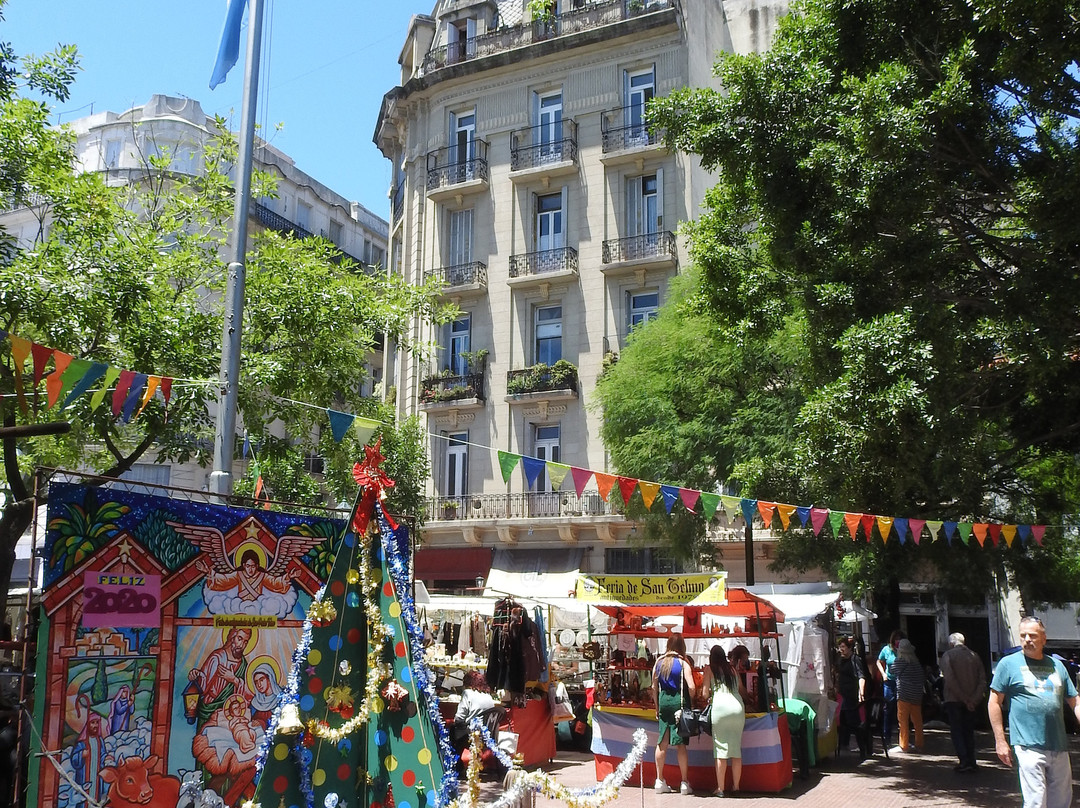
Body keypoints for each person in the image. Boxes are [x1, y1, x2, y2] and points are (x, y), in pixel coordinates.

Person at [989, 616, 1080, 808]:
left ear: (1044, 639)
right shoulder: (1008, 664)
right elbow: (994, 702)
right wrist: (1000, 741)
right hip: (1027, 744)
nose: (1027, 639)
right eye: (1023, 635)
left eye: (1032, 635)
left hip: (1058, 744)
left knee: (1062, 801)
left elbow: (1075, 701)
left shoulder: (1057, 666)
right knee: (1036, 801)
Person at [650, 633, 696, 795]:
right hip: (679, 705)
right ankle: (684, 783)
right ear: (682, 647)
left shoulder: (659, 662)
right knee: (680, 744)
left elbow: (654, 688)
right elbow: (691, 687)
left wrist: (657, 707)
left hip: (663, 704)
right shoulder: (683, 663)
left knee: (662, 742)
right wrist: (692, 700)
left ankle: (659, 780)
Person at [700, 645, 746, 797]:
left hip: (720, 709)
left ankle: (720, 788)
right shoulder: (733, 669)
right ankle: (737, 786)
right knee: (736, 750)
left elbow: (705, 694)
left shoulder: (709, 669)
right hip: (738, 708)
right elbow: (741, 690)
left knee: (721, 750)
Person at [188, 627, 254, 731]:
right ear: (232, 637)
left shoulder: (243, 664)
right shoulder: (217, 657)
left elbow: (248, 694)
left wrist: (234, 680)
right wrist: (197, 675)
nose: (241, 645)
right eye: (239, 639)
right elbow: (203, 685)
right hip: (210, 710)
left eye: (245, 642)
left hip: (230, 713)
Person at [939, 632, 986, 772]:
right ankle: (972, 761)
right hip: (972, 701)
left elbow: (950, 679)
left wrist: (964, 698)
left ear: (951, 643)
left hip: (954, 700)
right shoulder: (975, 656)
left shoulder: (948, 656)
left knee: (957, 731)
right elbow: (982, 680)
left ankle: (964, 761)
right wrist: (974, 700)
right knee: (969, 731)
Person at [197, 548, 298, 602]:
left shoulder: (262, 576)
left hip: (259, 608)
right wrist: (207, 571)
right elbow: (224, 580)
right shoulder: (238, 574)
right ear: (244, 565)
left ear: (257, 565)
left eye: (253, 566)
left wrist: (289, 576)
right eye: (248, 566)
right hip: (240, 607)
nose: (250, 569)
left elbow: (275, 582)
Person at [836, 636, 869, 759]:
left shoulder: (855, 659)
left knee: (854, 723)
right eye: (840, 647)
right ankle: (845, 746)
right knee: (844, 722)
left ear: (850, 648)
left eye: (843, 647)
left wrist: (861, 692)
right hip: (843, 695)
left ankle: (863, 748)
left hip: (851, 695)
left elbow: (861, 676)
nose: (841, 650)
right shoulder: (841, 660)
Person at [451, 670, 497, 756]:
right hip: (487, 735)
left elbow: (459, 718)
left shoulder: (467, 693)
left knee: (452, 729)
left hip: (472, 735)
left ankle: (455, 762)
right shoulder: (488, 696)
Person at [891, 638, 925, 752]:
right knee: (917, 721)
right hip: (916, 695)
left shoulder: (900, 660)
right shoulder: (916, 662)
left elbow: (892, 671)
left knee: (903, 721)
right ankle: (919, 743)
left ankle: (903, 745)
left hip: (904, 694)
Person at [876, 629, 904, 749]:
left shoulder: (905, 650)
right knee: (888, 708)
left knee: (901, 710)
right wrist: (883, 674)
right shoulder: (886, 650)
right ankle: (886, 738)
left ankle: (902, 738)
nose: (897, 641)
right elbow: (879, 661)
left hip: (902, 682)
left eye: (900, 639)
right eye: (896, 639)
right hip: (889, 682)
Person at [249, 662, 284, 729]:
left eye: (261, 680)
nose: (259, 685)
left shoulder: (282, 699)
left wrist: (261, 723)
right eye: (256, 682)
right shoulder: (255, 703)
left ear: (269, 679)